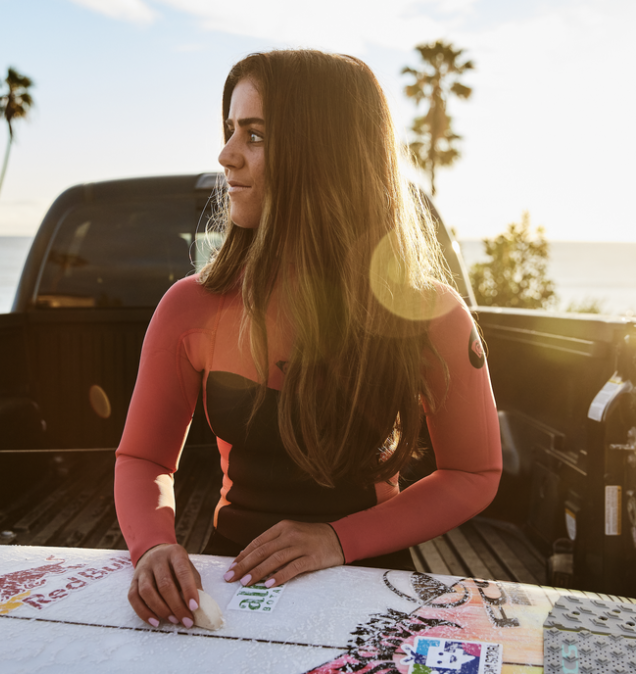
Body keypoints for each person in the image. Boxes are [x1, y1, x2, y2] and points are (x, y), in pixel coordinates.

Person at [114, 49, 501, 629]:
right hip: (233, 585)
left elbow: (474, 474)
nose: (226, 155)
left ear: (325, 154)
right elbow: (144, 457)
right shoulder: (189, 306)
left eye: (256, 135)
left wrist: (334, 540)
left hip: (369, 585)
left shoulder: (431, 316)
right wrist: (153, 547)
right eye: (229, 131)